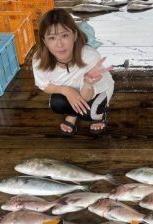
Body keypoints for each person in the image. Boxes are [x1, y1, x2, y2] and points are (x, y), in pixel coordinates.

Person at [32, 8, 114, 136]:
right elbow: (44, 85)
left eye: (64, 35)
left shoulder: (89, 56)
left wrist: (87, 83)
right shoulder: (39, 59)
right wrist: (66, 90)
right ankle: (72, 113)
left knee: (89, 114)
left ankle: (98, 115)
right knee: (56, 103)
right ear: (45, 42)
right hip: (72, 90)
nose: (59, 44)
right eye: (52, 38)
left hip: (96, 90)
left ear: (74, 35)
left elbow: (86, 96)